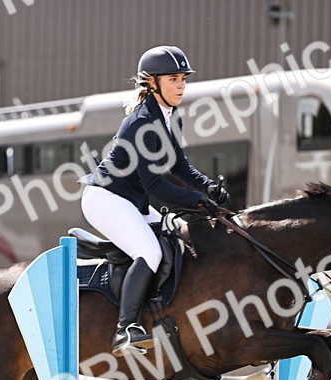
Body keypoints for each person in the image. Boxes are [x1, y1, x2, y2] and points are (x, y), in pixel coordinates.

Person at [81, 45, 230, 355]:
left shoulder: (170, 117)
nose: (180, 86)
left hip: (129, 199)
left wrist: (207, 189)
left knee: (176, 239)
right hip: (106, 198)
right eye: (173, 79)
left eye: (183, 79)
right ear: (152, 83)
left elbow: (180, 167)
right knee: (148, 250)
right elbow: (155, 187)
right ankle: (126, 328)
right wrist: (196, 203)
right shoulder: (142, 122)